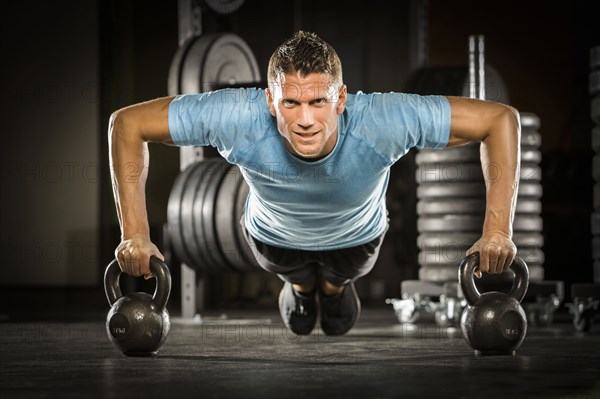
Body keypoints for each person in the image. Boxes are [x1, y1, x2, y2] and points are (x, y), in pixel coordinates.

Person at [109, 31, 520, 336]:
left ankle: (333, 286)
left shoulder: (385, 120)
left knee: (337, 301)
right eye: (291, 103)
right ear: (270, 101)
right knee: (301, 296)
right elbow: (127, 124)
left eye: (318, 102)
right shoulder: (236, 116)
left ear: (340, 99)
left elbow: (499, 121)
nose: (305, 120)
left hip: (358, 241)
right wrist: (135, 235)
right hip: (272, 240)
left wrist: (497, 232)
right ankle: (303, 287)